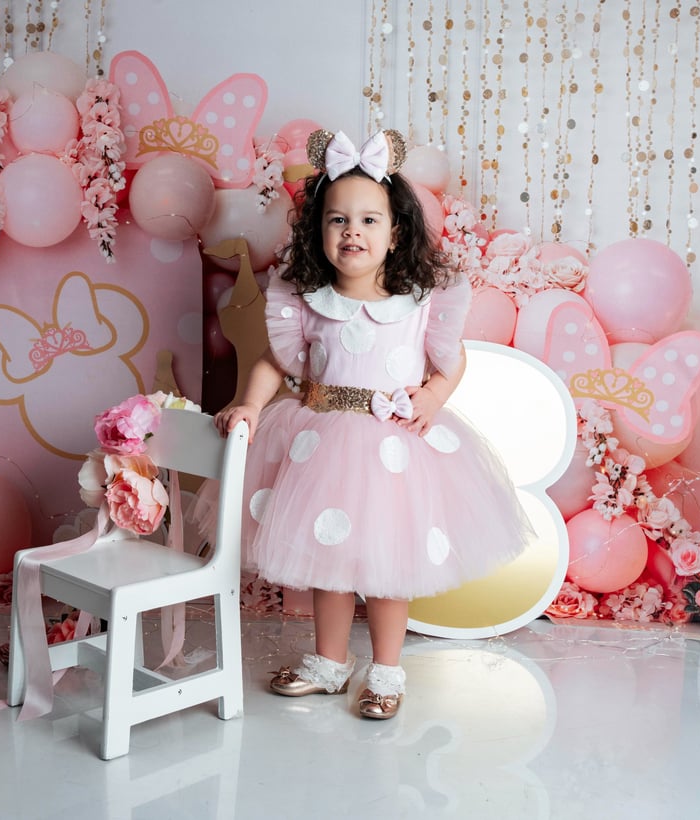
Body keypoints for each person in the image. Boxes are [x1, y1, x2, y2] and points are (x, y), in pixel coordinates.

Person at [212, 129, 536, 720]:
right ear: (318, 231)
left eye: (368, 220)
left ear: (396, 233)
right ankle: (330, 661)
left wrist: (432, 397)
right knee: (328, 563)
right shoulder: (309, 299)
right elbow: (274, 362)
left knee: (390, 567)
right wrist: (253, 406)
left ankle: (386, 669)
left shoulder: (418, 301)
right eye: (337, 220)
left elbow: (452, 360)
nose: (352, 232)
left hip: (396, 448)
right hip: (320, 443)